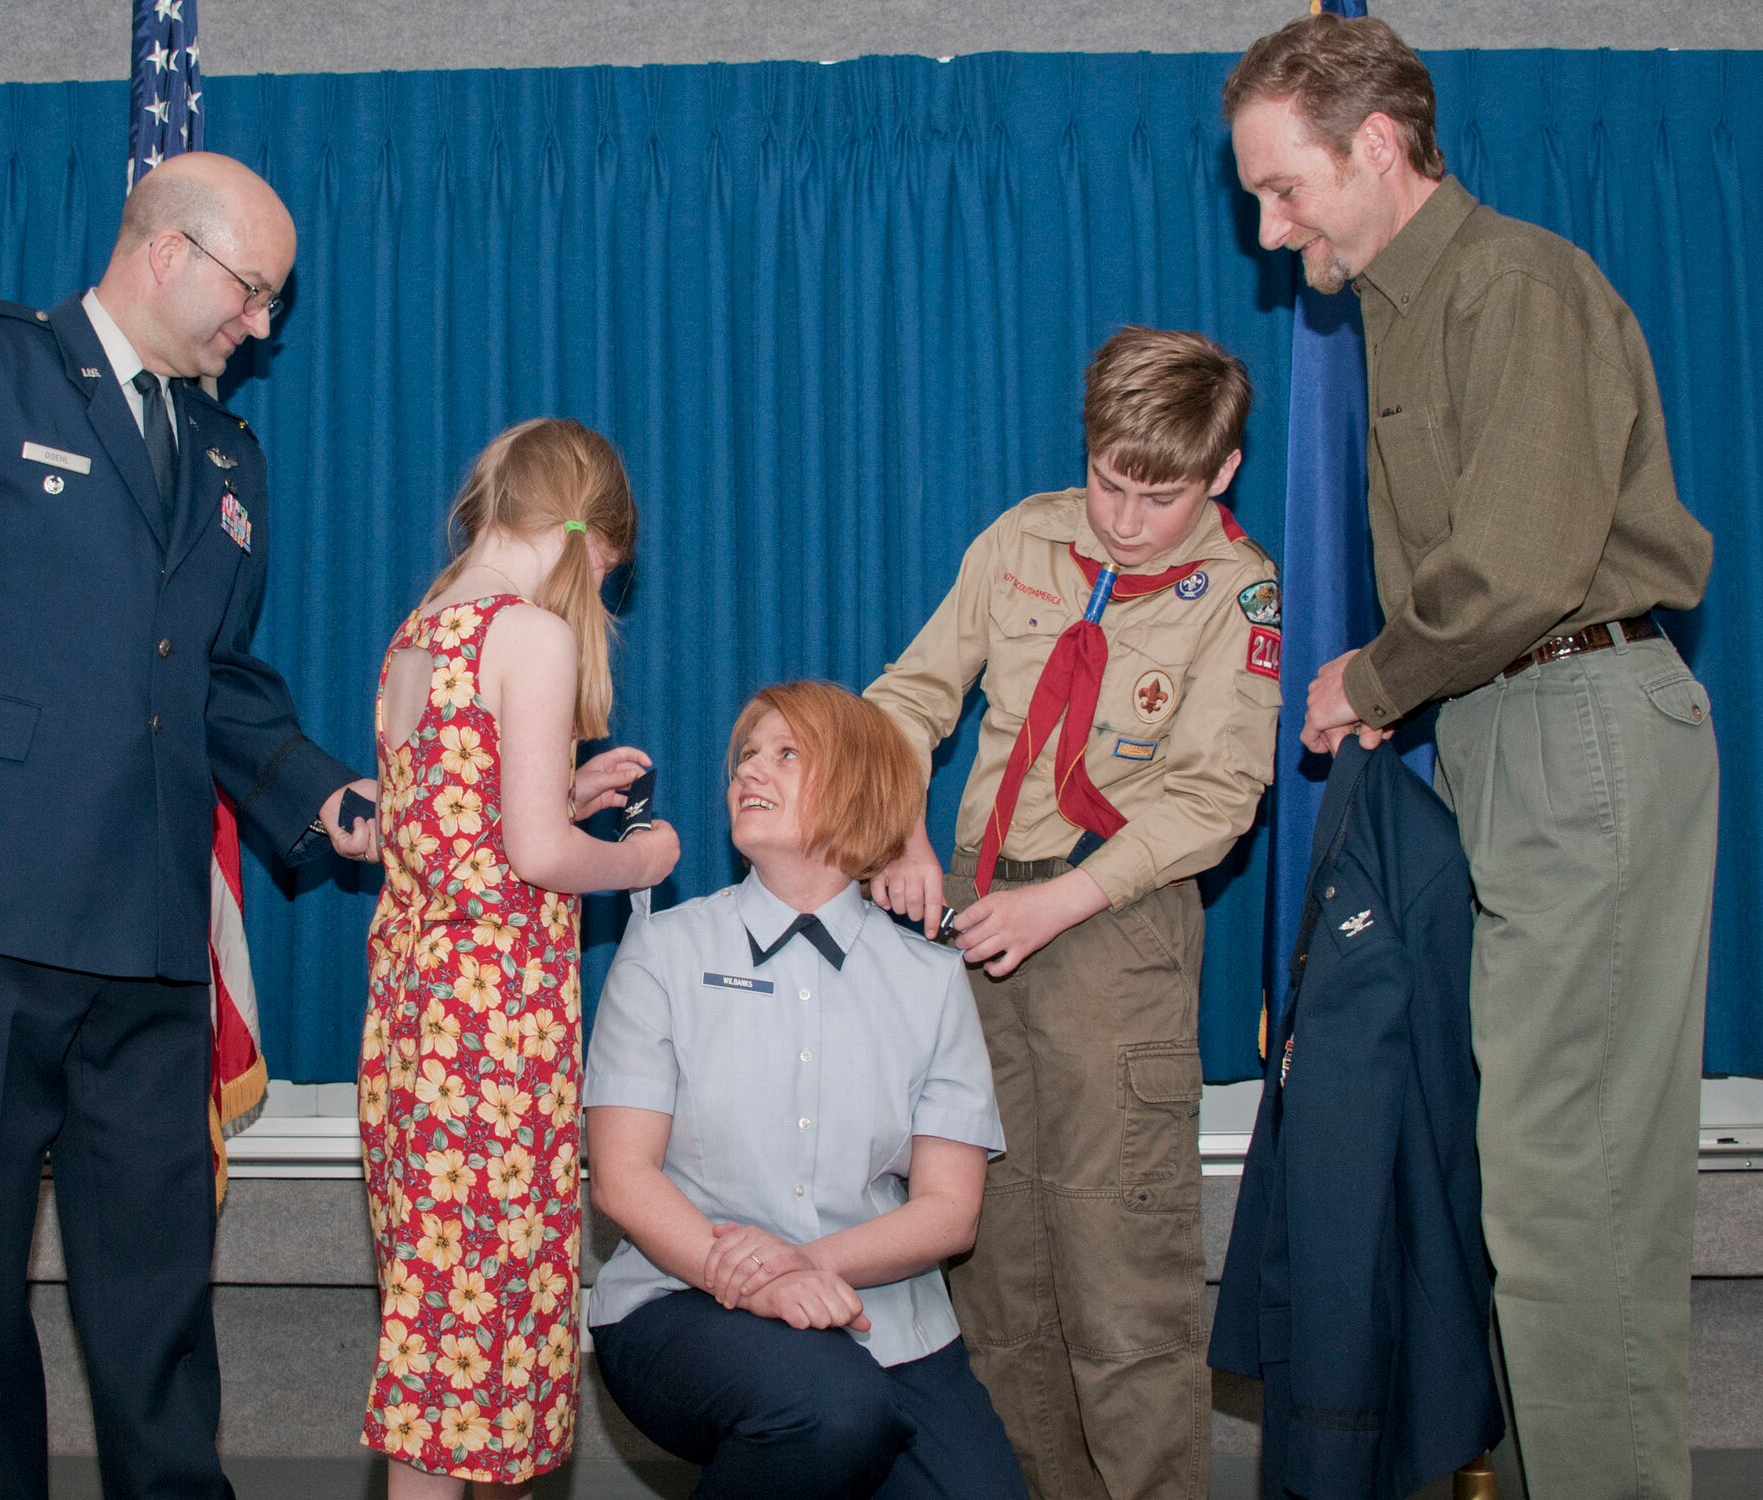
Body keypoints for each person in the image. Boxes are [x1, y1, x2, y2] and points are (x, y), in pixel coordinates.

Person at [0, 152, 378, 1499]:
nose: (263, 326)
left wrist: (323, 796)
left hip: (152, 929)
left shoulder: (231, 453)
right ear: (168, 251)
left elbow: (218, 680)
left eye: (277, 304)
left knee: (160, 1283)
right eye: (253, 292)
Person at [1223, 15, 1717, 1499]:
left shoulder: (1513, 285)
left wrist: (1368, 674)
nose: (1268, 226)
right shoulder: (1403, 306)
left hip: (1576, 726)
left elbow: (1512, 562)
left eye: (1285, 187)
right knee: (1523, 1175)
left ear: (1378, 147)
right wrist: (1408, 688)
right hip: (1504, 729)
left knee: (1576, 1197)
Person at [864, 326, 1281, 1500]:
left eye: (1159, 497)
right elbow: (907, 696)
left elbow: (1214, 796)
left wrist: (1055, 906)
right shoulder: (1021, 539)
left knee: (1118, 1288)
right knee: (997, 1282)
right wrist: (894, 820)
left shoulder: (1240, 596)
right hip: (978, 917)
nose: (1124, 519)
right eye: (1108, 482)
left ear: (1221, 473)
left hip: (1114, 925)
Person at [585, 680, 1024, 1500]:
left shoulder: (932, 981)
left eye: (787, 754)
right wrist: (753, 1279)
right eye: (746, 756)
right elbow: (622, 1178)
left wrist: (804, 1263)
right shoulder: (664, 951)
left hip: (885, 1316)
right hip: (685, 1298)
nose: (751, 770)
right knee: (829, 1410)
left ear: (859, 784)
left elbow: (949, 1211)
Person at [360, 417, 681, 1498]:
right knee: (475, 1344)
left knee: (436, 1350)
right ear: (589, 542)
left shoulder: (419, 632)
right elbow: (538, 855)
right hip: (490, 1036)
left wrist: (568, 790)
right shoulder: (529, 634)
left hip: (415, 1015)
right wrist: (639, 855)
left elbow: (455, 820)